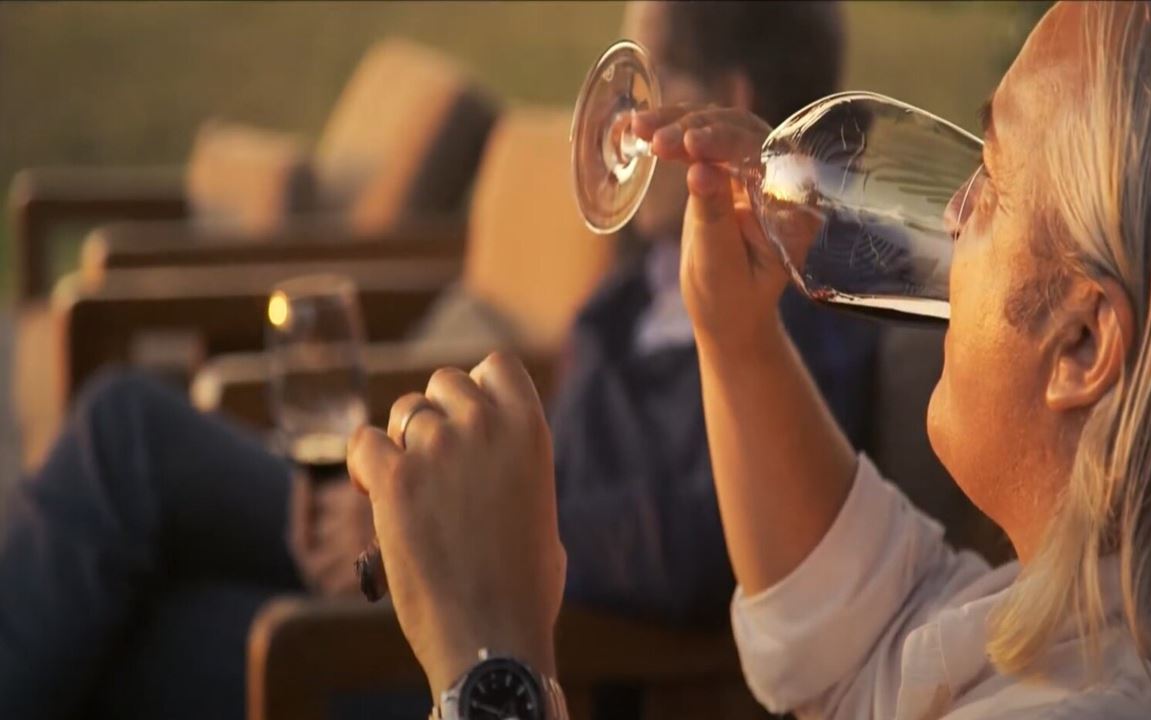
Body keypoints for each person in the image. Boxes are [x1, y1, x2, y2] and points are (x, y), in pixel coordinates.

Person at [347, 1, 1151, 718]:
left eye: (992, 177)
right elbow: (860, 635)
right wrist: (736, 332)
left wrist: (492, 663)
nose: (952, 214)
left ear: (1081, 344)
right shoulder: (1112, 626)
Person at [0, 2, 876, 717]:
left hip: (541, 650)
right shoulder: (640, 279)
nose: (619, 119)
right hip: (446, 566)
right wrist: (405, 514)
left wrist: (432, 532)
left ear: (721, 98)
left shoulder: (798, 308)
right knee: (128, 432)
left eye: (643, 81)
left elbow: (699, 547)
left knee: (146, 627)